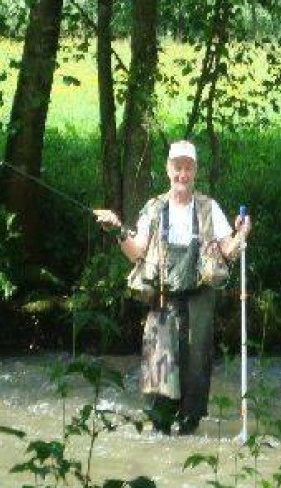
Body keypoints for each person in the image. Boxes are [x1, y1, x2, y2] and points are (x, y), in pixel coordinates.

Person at [93, 140, 251, 435]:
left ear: (195, 172)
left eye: (188, 168)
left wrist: (241, 233)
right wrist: (116, 228)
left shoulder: (208, 208)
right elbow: (137, 252)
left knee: (196, 366)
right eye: (177, 167)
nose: (183, 174)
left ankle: (190, 425)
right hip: (163, 299)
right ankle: (161, 428)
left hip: (199, 298)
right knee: (159, 366)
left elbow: (227, 251)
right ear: (168, 169)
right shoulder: (153, 209)